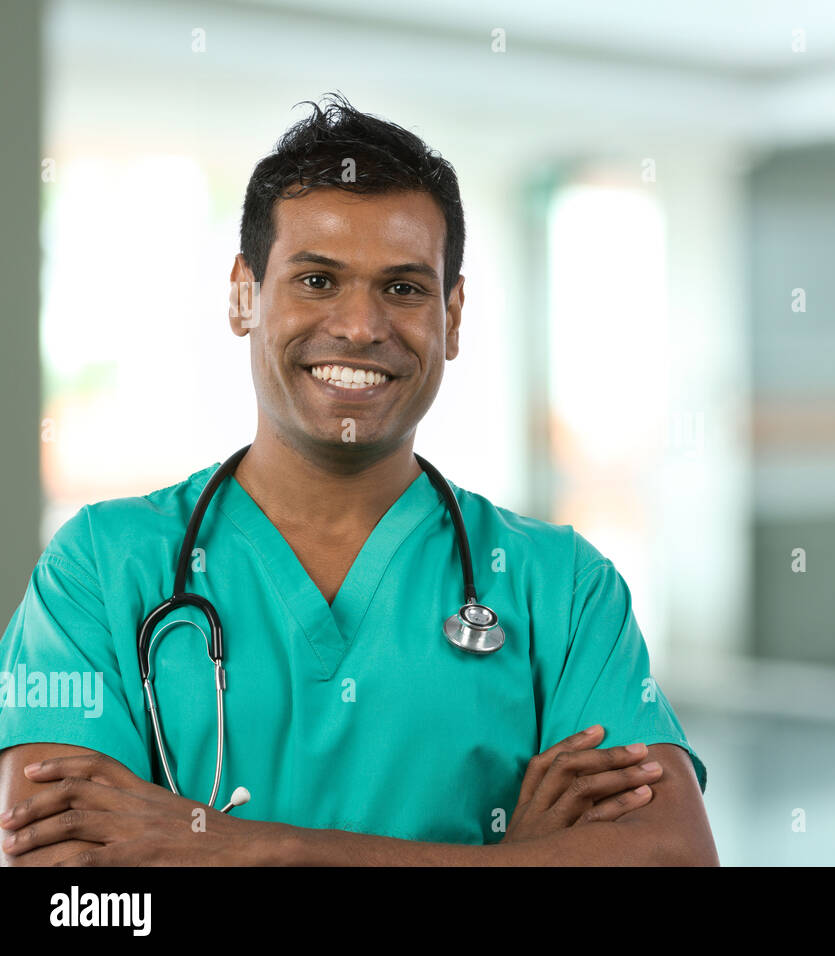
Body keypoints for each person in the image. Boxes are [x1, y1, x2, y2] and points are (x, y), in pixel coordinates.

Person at [0, 94, 717, 866]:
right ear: (245, 293)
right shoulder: (99, 567)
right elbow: (71, 899)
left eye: (403, 288)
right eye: (316, 280)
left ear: (454, 313)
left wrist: (246, 849)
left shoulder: (564, 586)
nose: (359, 326)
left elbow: (671, 857)